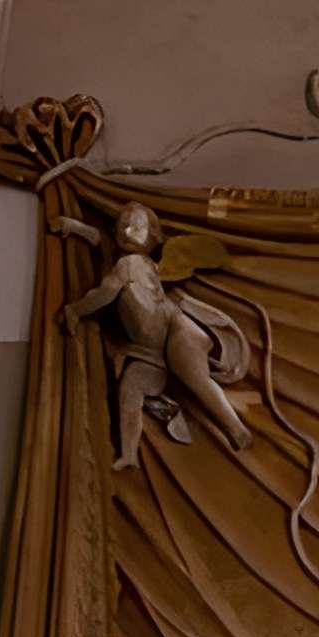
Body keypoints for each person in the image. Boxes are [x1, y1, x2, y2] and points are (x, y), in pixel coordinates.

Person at [62, 200, 253, 468]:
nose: (128, 231)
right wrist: (71, 226)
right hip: (148, 351)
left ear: (152, 233)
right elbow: (99, 239)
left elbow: (104, 293)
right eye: (122, 227)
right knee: (130, 389)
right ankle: (129, 454)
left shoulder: (131, 264)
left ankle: (236, 429)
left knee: (196, 378)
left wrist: (75, 311)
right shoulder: (127, 261)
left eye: (136, 226)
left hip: (174, 328)